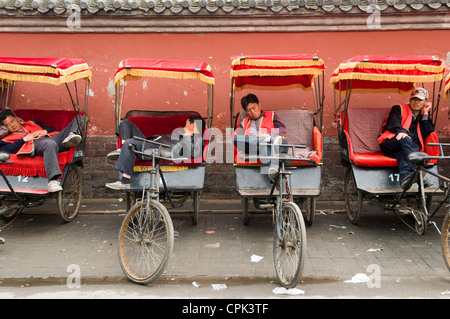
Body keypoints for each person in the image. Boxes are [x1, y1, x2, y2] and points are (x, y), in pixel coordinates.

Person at [105, 114, 204, 190]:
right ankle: (122, 150)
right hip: (150, 142)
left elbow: (191, 154)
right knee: (126, 123)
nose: (184, 126)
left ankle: (125, 181)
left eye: (186, 124)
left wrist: (187, 136)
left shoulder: (196, 139)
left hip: (158, 148)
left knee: (129, 143)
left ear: (193, 124)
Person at [0, 109, 84, 192]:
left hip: (56, 139)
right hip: (39, 144)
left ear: (17, 118)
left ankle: (72, 135)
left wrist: (45, 131)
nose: (12, 125)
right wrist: (24, 139)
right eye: (7, 125)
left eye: (12, 121)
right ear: (6, 127)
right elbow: (6, 150)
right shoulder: (7, 139)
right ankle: (53, 181)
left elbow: (53, 130)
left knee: (79, 118)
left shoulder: (33, 123)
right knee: (49, 143)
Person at [378, 87, 434, 189]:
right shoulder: (398, 108)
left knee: (403, 154)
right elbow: (393, 122)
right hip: (390, 143)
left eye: (420, 100)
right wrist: (402, 132)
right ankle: (418, 170)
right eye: (414, 99)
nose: (416, 102)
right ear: (410, 99)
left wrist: (426, 113)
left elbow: (427, 131)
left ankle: (404, 177)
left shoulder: (423, 116)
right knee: (406, 140)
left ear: (425, 102)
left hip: (405, 149)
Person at [233, 93, 288, 183]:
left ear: (259, 105)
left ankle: (266, 140)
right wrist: (257, 140)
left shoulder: (272, 115)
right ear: (246, 112)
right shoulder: (244, 122)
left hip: (276, 145)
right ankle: (262, 141)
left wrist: (269, 135)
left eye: (254, 108)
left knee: (268, 146)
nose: (252, 112)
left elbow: (282, 129)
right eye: (249, 110)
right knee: (236, 139)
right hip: (256, 147)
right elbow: (242, 139)